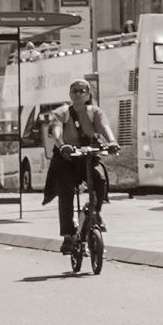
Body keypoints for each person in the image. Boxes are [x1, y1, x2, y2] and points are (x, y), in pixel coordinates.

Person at [47, 79, 113, 251]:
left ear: (88, 94)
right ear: (70, 94)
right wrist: (62, 145)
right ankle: (68, 235)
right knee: (66, 191)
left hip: (88, 157)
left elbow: (104, 127)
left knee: (100, 179)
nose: (77, 94)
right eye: (74, 91)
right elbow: (56, 129)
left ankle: (95, 212)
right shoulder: (62, 112)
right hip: (66, 159)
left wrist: (112, 142)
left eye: (82, 91)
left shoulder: (95, 112)